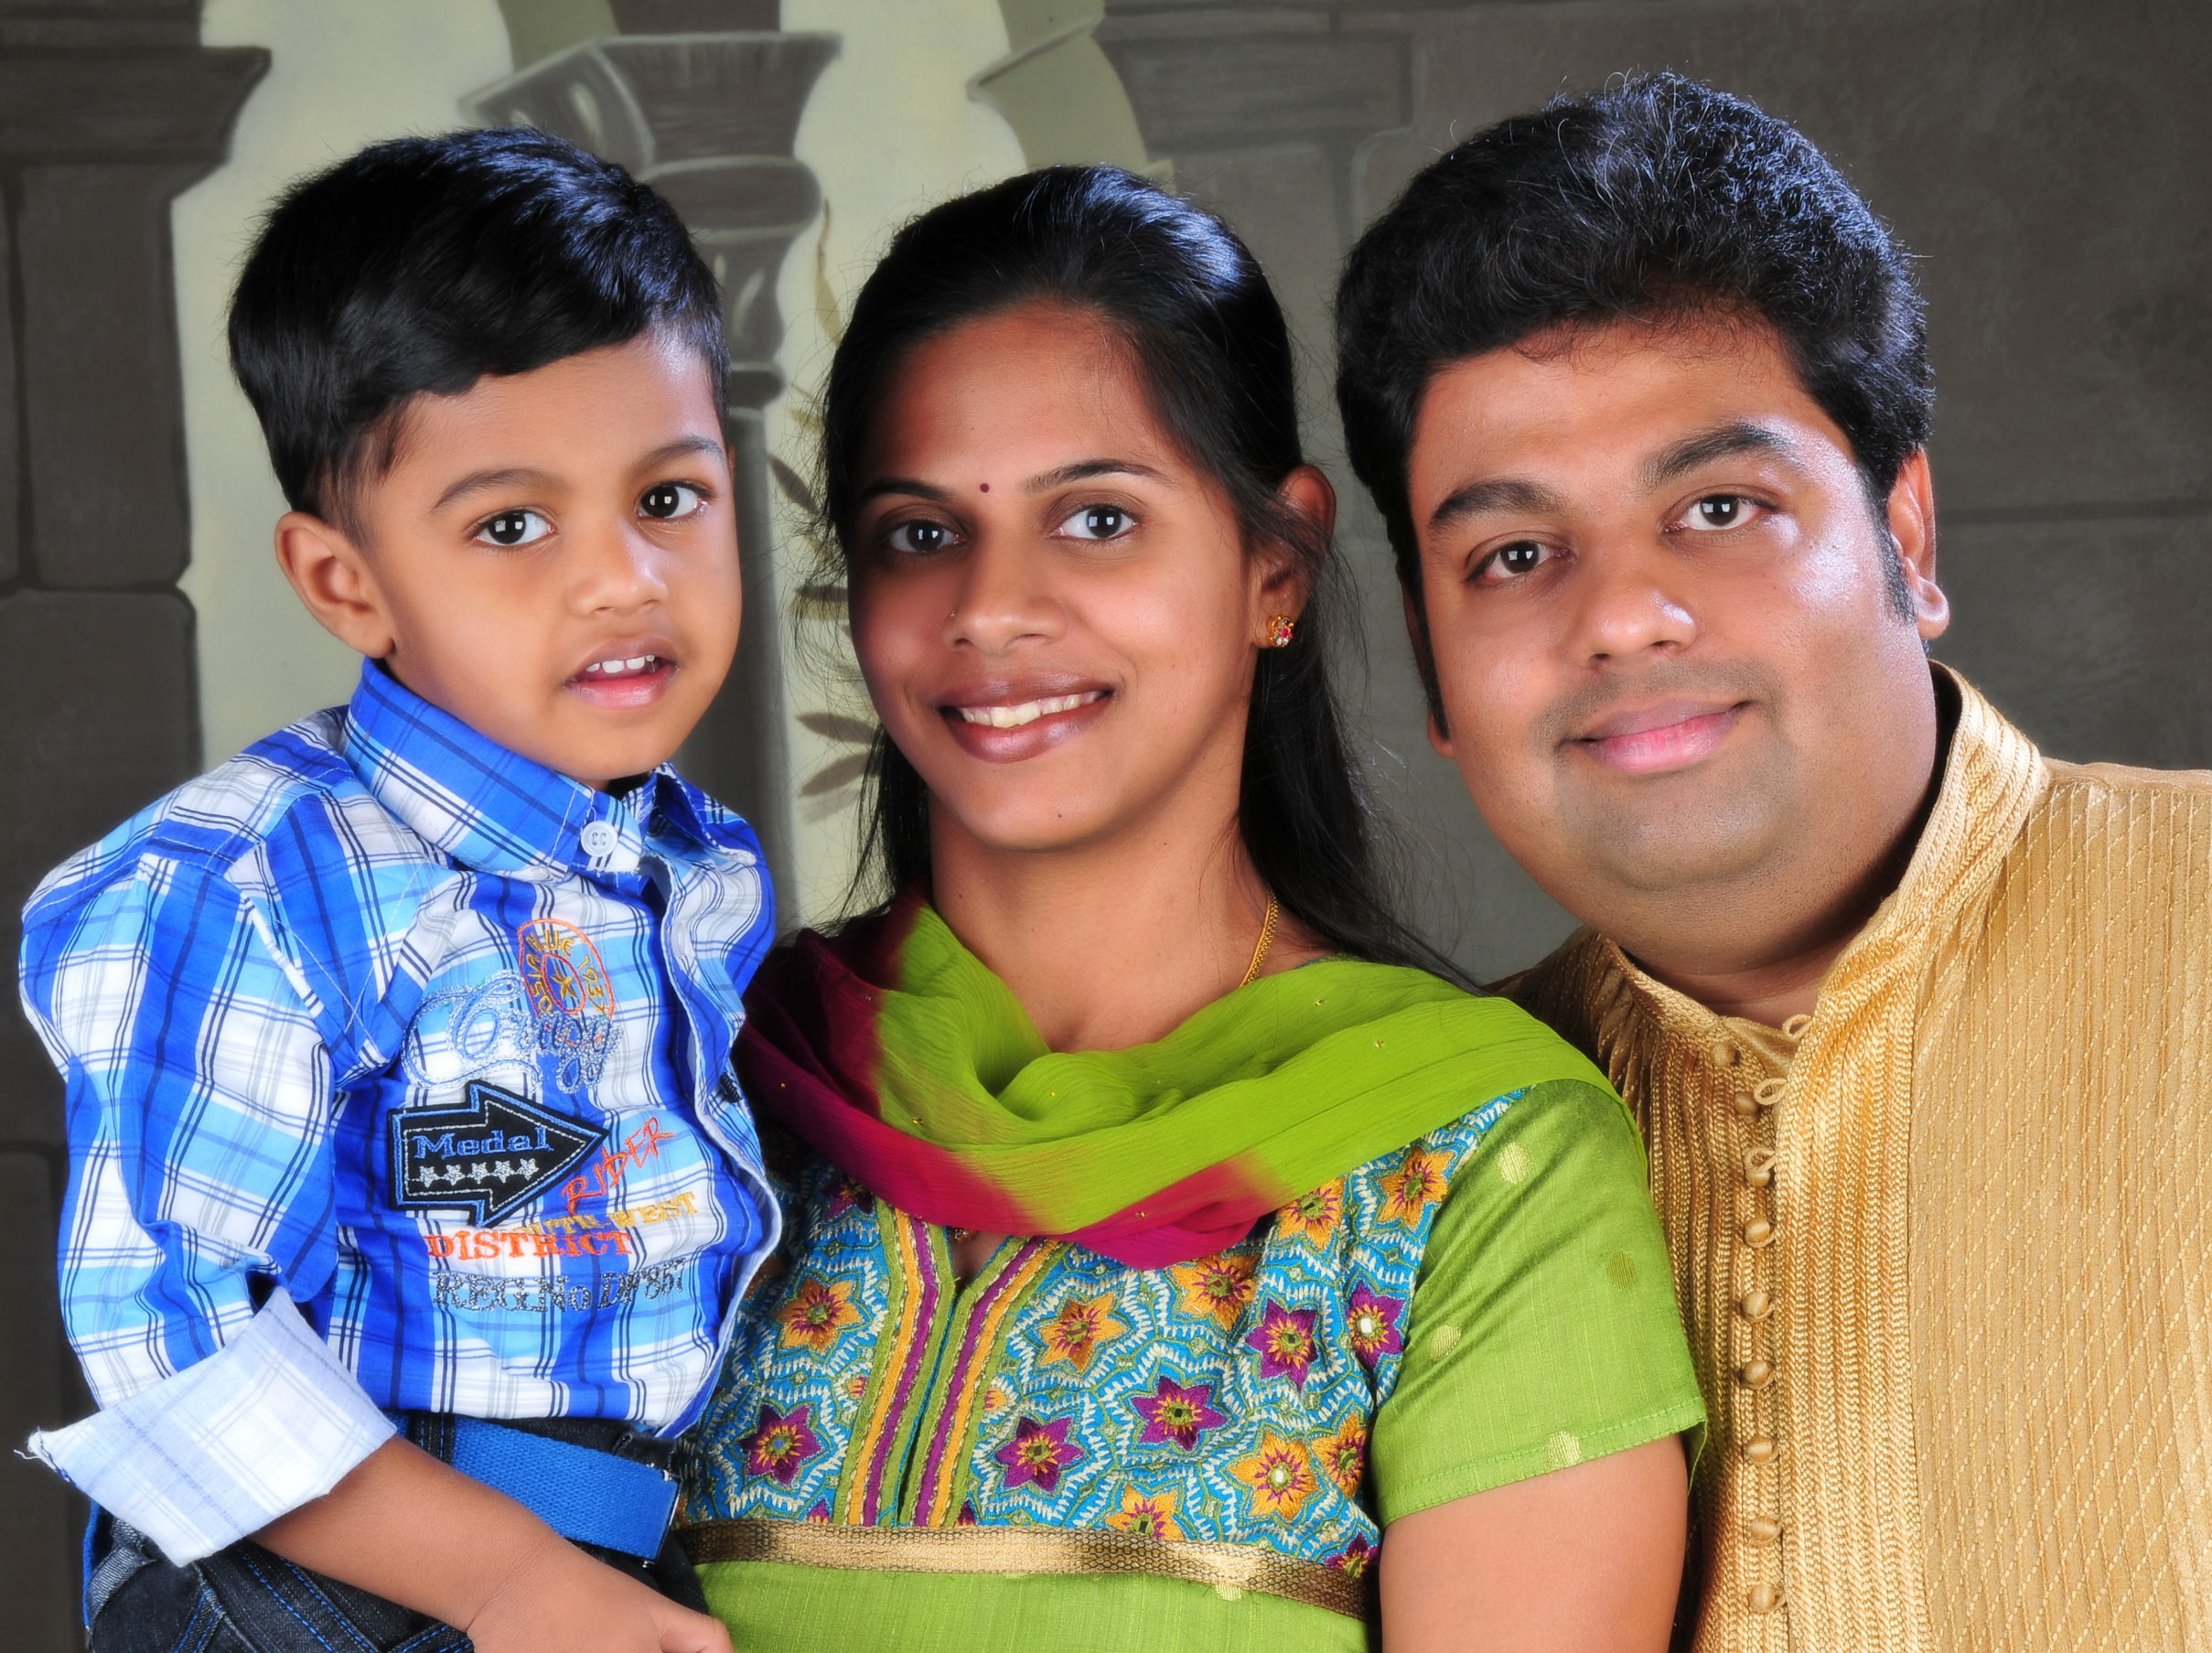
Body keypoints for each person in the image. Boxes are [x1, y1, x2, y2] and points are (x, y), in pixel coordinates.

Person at [676, 166, 1704, 1652]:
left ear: (1276, 565)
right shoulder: (696, 1092)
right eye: (920, 534)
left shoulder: (1473, 1164)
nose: (992, 609)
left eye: (1097, 519)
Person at [1334, 70, 2212, 1653]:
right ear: (1431, 671)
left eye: (1720, 506)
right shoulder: (1401, 1170)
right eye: (1513, 554)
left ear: (1906, 535)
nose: (1622, 616)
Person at [18, 130, 780, 1653]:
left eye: (670, 497)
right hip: (326, 1582)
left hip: (582, 1550)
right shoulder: (259, 884)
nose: (623, 578)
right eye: (512, 525)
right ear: (345, 583)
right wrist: (503, 1584)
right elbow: (172, 1338)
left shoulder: (690, 864)